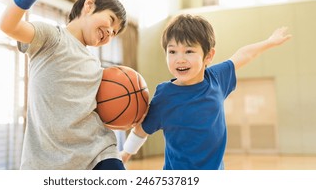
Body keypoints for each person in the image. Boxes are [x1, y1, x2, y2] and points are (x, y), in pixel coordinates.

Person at [0, 0, 127, 170]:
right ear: (89, 5)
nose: (109, 33)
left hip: (97, 154)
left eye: (114, 33)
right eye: (110, 21)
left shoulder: (95, 65)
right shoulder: (52, 37)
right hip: (46, 163)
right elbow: (8, 25)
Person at [121, 14, 292, 170]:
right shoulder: (165, 95)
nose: (180, 58)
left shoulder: (216, 78)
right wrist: (126, 154)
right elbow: (142, 130)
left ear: (208, 56)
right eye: (172, 51)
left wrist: (270, 42)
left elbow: (244, 54)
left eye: (189, 51)